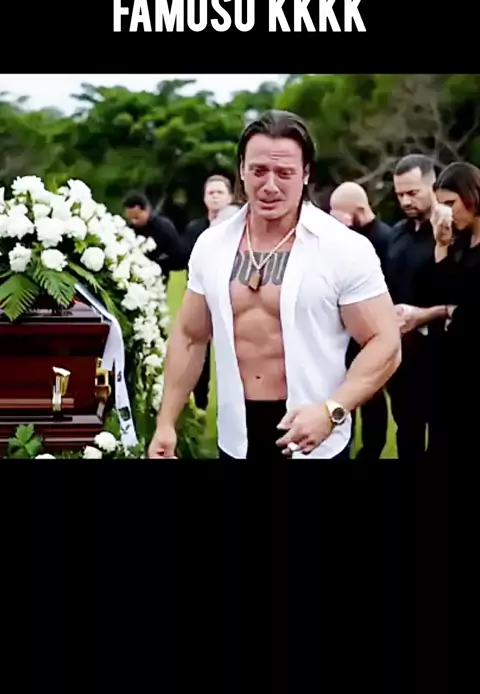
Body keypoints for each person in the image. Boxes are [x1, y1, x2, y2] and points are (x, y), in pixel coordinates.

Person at [148, 109, 401, 460]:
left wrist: (332, 410)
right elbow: (191, 337)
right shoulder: (211, 245)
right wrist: (166, 423)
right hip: (237, 436)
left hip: (315, 437)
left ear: (306, 174)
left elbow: (385, 341)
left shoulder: (344, 247)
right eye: (258, 170)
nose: (270, 186)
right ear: (241, 169)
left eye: (284, 173)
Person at [382, 155, 449, 459]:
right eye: (400, 194)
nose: (405, 201)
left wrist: (424, 315)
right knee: (406, 432)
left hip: (443, 352)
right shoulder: (397, 233)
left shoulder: (452, 233)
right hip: (403, 355)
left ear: (432, 187)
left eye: (413, 192)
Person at [420, 162, 480, 458]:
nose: (448, 212)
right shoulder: (460, 244)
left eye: (451, 203)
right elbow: (439, 292)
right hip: (450, 367)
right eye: (441, 205)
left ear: (472, 196)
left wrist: (453, 312)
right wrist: (441, 244)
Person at [330, 181, 393, 459]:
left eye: (339, 213)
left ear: (357, 210)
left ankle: (371, 450)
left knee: (372, 395)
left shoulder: (385, 239)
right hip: (346, 330)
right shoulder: (344, 240)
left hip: (373, 329)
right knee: (346, 391)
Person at [182, 175, 239, 410]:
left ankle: (235, 403)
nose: (215, 197)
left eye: (219, 192)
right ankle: (200, 405)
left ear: (230, 197)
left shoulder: (237, 228)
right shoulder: (195, 229)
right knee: (197, 347)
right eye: (211, 193)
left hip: (230, 296)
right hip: (200, 296)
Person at [123, 191, 186, 284]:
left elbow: (177, 256)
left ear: (147, 210)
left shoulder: (163, 228)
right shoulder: (130, 229)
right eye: (130, 218)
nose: (133, 222)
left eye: (136, 217)